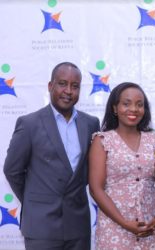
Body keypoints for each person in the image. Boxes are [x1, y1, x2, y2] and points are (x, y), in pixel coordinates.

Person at [3, 62, 100, 250]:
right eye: (62, 83)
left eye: (75, 86)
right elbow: (12, 170)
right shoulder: (29, 124)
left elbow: (90, 170)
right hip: (41, 225)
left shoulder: (91, 124)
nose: (68, 91)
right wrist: (36, 198)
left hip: (78, 225)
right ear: (50, 86)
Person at [89, 82, 155, 250]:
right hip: (114, 229)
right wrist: (124, 223)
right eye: (126, 103)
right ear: (115, 108)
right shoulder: (102, 140)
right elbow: (96, 189)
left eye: (140, 105)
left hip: (150, 228)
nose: (134, 109)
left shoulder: (154, 140)